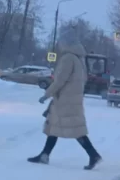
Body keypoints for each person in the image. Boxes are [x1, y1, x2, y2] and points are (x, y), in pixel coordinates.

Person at [27, 36, 102, 170]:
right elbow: (83, 80)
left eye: (61, 43)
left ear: (66, 45)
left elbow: (59, 80)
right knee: (54, 126)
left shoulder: (68, 58)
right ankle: (45, 155)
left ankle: (93, 154)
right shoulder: (80, 59)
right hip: (72, 99)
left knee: (75, 129)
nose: (60, 46)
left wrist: (47, 94)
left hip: (65, 100)